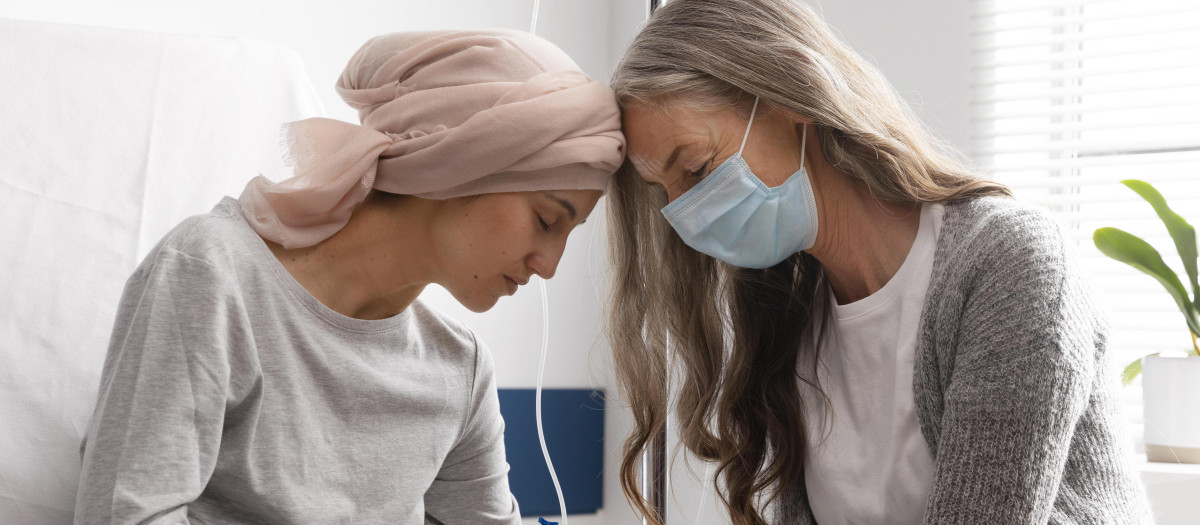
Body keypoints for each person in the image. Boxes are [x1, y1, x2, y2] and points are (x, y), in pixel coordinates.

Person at [604, 1, 1152, 524]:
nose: (687, 215)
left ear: (789, 92)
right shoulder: (789, 314)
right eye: (666, 192)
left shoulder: (1011, 268)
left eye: (696, 169)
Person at [74, 29, 624, 525]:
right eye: (548, 219)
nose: (547, 264)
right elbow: (127, 513)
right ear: (462, 164)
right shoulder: (214, 278)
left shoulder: (460, 368)